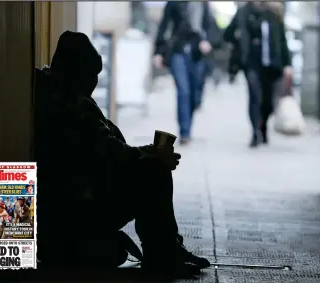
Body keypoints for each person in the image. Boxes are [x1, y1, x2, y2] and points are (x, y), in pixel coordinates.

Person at [35, 31, 210, 275]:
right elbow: (111, 153)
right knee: (153, 171)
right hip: (76, 205)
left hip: (67, 202)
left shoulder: (53, 91)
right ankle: (163, 253)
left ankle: (165, 249)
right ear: (77, 74)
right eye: (90, 78)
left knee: (149, 166)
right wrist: (152, 155)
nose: (92, 86)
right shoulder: (70, 104)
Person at [224, 1, 292, 147]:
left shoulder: (274, 13)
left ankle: (263, 126)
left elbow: (282, 39)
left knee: (268, 101)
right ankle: (255, 132)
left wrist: (287, 64)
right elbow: (227, 34)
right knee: (254, 95)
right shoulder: (243, 12)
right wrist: (238, 39)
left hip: (271, 64)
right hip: (251, 62)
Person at [153, 2, 221, 145]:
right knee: (183, 91)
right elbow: (164, 26)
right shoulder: (173, 3)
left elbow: (211, 27)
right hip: (178, 51)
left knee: (195, 94)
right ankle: (185, 132)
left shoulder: (203, 4)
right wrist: (158, 52)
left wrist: (208, 41)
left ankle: (190, 116)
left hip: (198, 53)